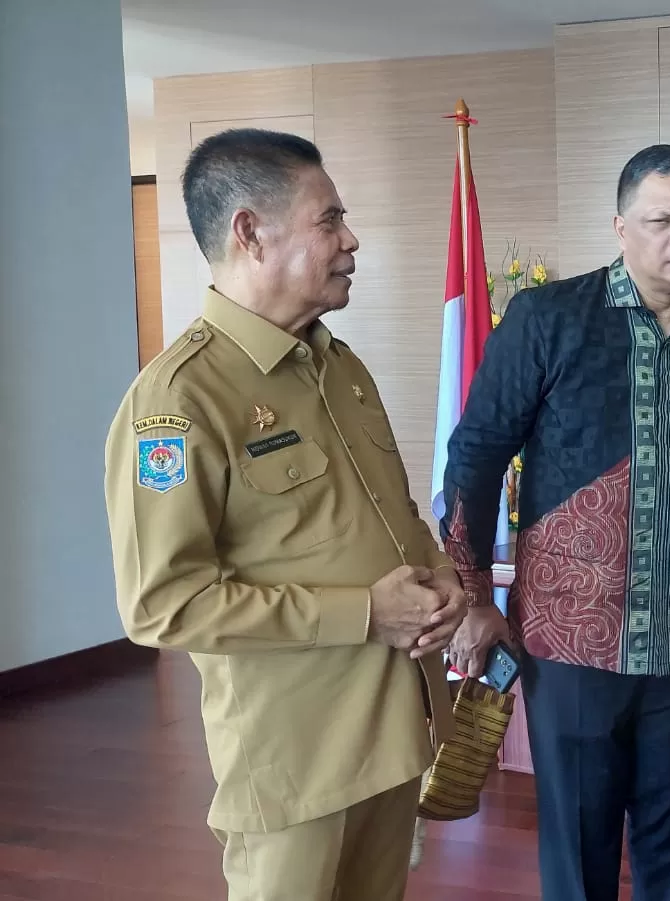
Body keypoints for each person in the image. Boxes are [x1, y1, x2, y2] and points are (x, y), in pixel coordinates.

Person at [103, 128, 467, 901]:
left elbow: (390, 512)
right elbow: (162, 604)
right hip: (295, 755)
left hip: (394, 724)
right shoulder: (178, 400)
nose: (350, 238)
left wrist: (441, 581)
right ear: (249, 232)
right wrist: (365, 612)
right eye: (329, 219)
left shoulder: (338, 364)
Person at [438, 144, 670, 901]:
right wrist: (471, 597)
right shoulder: (547, 319)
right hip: (572, 637)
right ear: (620, 226)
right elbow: (477, 455)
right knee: (580, 841)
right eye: (661, 220)